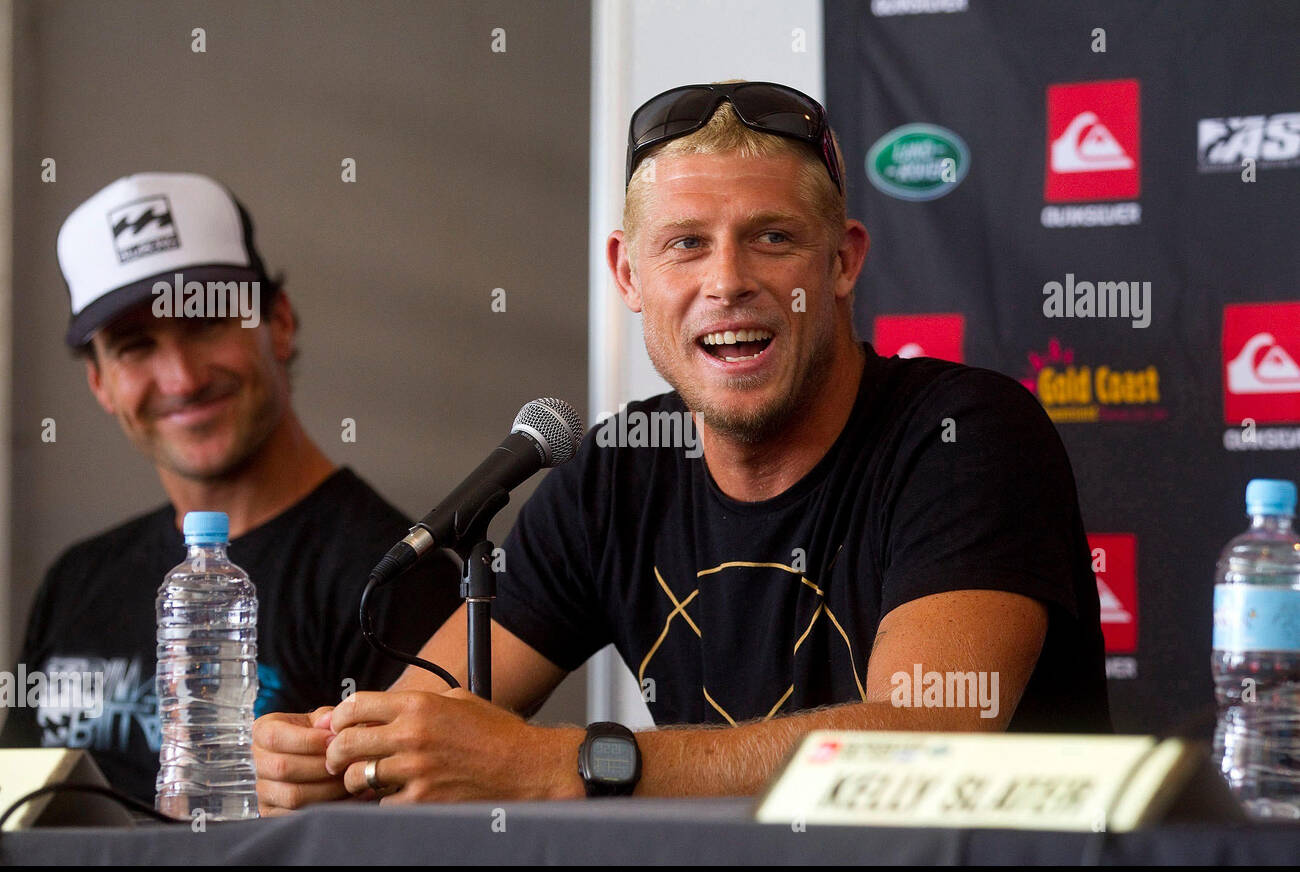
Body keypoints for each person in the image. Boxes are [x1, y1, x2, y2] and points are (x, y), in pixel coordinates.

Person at [253, 81, 1111, 811]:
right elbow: (423, 726)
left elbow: (928, 745)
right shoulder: (617, 471)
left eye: (772, 238)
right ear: (629, 275)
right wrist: (330, 760)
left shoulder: (965, 434)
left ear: (843, 264)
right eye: (686, 244)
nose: (727, 280)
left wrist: (565, 765)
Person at [0, 172, 461, 804]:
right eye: (136, 347)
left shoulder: (398, 575)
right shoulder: (76, 581)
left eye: (205, 324)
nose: (181, 378)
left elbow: (419, 837)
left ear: (280, 324)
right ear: (100, 384)